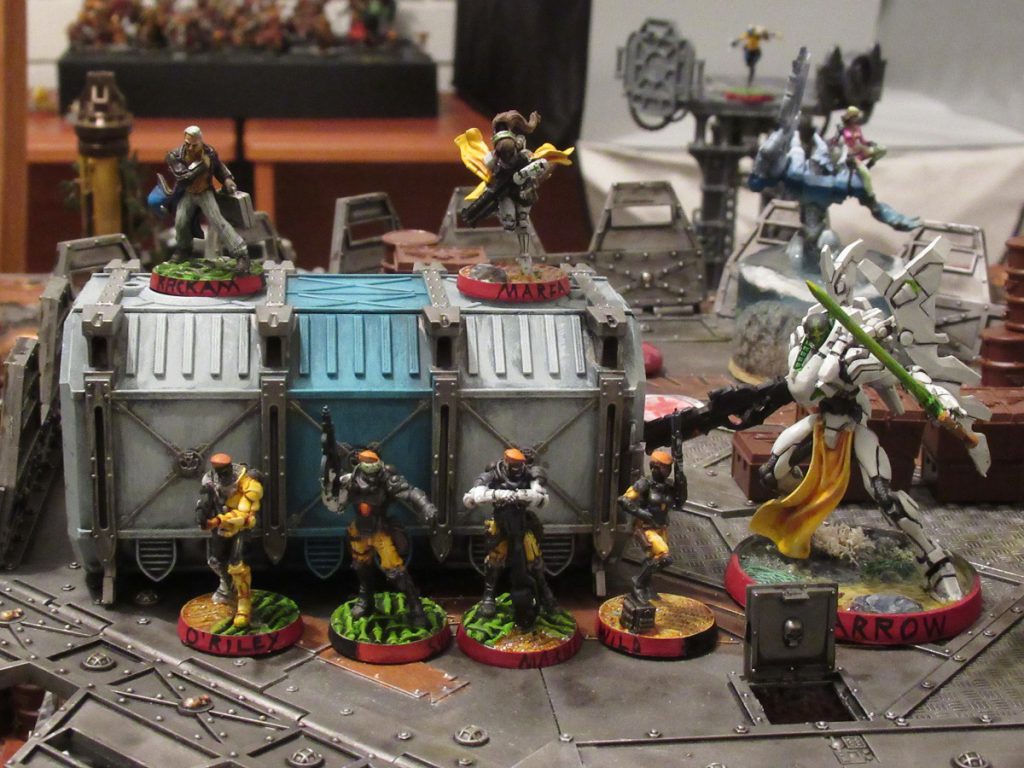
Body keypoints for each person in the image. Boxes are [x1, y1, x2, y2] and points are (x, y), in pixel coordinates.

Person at [320, 442, 437, 628]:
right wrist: (329, 481)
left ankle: (415, 606)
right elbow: (335, 502)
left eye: (372, 462)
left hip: (379, 530)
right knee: (360, 566)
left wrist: (426, 506)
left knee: (396, 572)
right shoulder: (351, 478)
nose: (369, 467)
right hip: (359, 530)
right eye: (365, 462)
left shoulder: (386, 477)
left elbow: (410, 492)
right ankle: (365, 599)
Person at [463, 448, 557, 629]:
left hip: (521, 522)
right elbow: (474, 496)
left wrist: (532, 493)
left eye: (519, 465)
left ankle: (546, 593)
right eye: (513, 465)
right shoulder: (494, 473)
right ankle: (488, 596)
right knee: (495, 560)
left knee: (534, 558)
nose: (516, 469)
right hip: (501, 522)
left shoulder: (528, 473)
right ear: (506, 463)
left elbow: (542, 498)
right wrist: (495, 494)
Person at [165, 125, 249, 269]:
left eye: (194, 145)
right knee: (180, 221)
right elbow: (183, 176)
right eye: (187, 144)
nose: (190, 148)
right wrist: (202, 165)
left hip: (205, 193)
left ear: (200, 141)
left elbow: (218, 167)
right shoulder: (175, 155)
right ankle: (184, 249)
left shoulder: (209, 152)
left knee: (218, 222)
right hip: (187, 193)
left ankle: (241, 253)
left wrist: (227, 179)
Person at [195, 453, 263, 628]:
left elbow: (244, 515)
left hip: (241, 527)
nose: (222, 477)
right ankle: (226, 588)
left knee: (237, 565)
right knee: (216, 560)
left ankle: (243, 607)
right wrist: (202, 513)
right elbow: (206, 500)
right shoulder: (210, 480)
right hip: (220, 528)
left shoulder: (246, 481)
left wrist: (217, 521)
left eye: (225, 472)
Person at [618, 448, 686, 604]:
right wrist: (641, 513)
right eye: (665, 467)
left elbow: (680, 501)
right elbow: (624, 500)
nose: (668, 471)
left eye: (669, 468)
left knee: (652, 559)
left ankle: (645, 586)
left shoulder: (668, 487)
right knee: (664, 558)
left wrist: (681, 476)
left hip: (661, 528)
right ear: (655, 467)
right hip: (646, 528)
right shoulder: (645, 484)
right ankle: (638, 583)